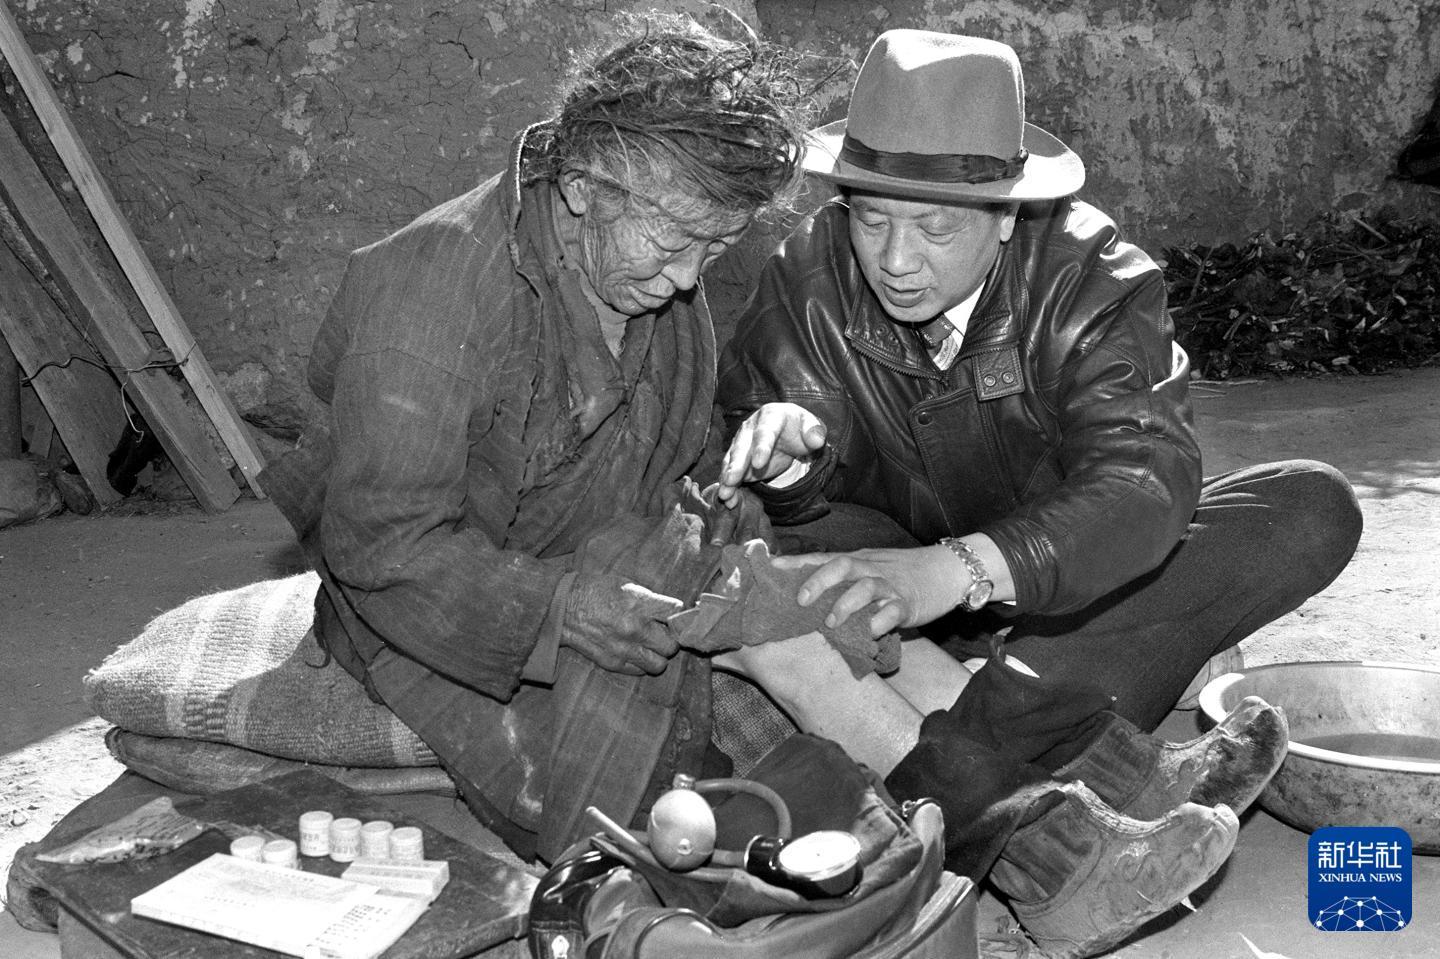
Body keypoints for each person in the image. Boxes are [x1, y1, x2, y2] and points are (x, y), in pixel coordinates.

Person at [712, 29, 1361, 957]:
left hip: (1058, 612)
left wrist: (960, 569)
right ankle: (1102, 776)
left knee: (1309, 506)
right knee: (773, 573)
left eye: (936, 229)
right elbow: (785, 506)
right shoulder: (803, 281)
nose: (896, 259)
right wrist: (788, 464)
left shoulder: (1094, 279)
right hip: (912, 627)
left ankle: (972, 751)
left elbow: (1142, 480)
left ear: (1009, 215)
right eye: (872, 218)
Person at [261, 13, 812, 865]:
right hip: (431, 595)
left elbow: (674, 465)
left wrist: (737, 481)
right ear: (584, 184)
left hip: (597, 559)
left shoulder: (652, 274)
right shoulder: (433, 293)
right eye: (675, 240)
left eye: (716, 245)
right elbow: (381, 542)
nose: (686, 278)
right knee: (629, 818)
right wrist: (563, 611)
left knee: (804, 680)